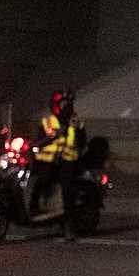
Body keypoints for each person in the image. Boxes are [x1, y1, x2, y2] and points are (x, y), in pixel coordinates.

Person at [32, 87, 86, 240]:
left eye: (68, 103)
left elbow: (82, 143)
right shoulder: (48, 120)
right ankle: (34, 208)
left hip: (68, 161)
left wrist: (76, 130)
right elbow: (39, 140)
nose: (66, 106)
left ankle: (69, 225)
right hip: (49, 161)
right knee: (40, 180)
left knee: (67, 189)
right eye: (63, 103)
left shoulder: (76, 121)